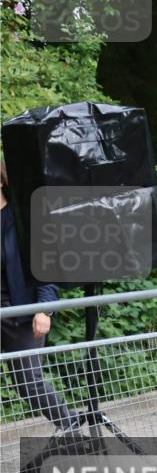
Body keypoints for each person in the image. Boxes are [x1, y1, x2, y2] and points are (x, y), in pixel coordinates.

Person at [1, 161, 78, 432]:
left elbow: (47, 267)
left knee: (28, 383)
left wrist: (44, 309)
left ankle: (70, 424)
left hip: (20, 314)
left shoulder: (22, 218)